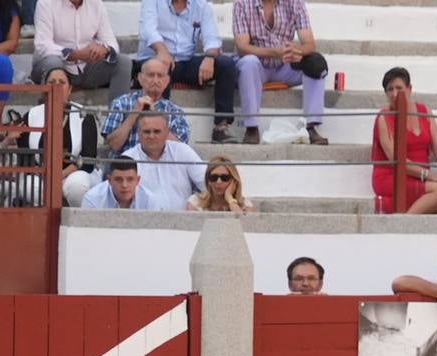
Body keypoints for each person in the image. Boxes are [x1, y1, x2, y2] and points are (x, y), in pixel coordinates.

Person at [136, 0, 237, 144]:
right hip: (156, 57)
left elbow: (212, 38)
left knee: (225, 64)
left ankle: (221, 127)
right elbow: (148, 30)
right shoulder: (153, 2)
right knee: (159, 69)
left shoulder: (201, 5)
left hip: (185, 60)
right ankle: (157, 126)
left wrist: (209, 57)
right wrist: (162, 51)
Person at [370, 66, 437, 214]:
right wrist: (432, 176)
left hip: (421, 177)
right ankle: (406, 222)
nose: (394, 93)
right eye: (390, 89)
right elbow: (395, 159)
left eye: (399, 88)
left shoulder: (424, 111)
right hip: (392, 176)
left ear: (409, 89)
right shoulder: (384, 118)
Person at [232, 0, 328, 145]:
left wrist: (295, 51)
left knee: (316, 64)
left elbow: (309, 44)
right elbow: (242, 47)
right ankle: (251, 127)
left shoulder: (295, 3)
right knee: (248, 63)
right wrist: (274, 52)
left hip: (285, 65)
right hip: (257, 67)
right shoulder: (242, 4)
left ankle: (311, 125)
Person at [16, 65, 100, 206]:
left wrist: (59, 177)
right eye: (52, 82)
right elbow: (25, 156)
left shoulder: (84, 115)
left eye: (62, 82)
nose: (56, 86)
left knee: (77, 186)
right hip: (42, 174)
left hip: (75, 172)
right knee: (33, 188)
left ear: (70, 89)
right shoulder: (31, 115)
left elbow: (88, 158)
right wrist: (45, 174)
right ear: (44, 88)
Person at [31, 0, 131, 99]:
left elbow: (111, 42)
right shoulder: (46, 3)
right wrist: (75, 54)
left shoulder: (96, 4)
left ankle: (119, 113)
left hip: (86, 68)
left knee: (123, 62)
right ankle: (51, 114)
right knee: (53, 63)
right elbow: (42, 45)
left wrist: (104, 49)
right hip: (56, 66)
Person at [100, 57, 190, 153]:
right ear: (140, 78)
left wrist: (155, 116)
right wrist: (133, 115)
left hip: (160, 165)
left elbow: (180, 150)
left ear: (167, 81)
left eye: (160, 76)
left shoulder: (175, 112)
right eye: (151, 75)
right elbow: (113, 145)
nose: (155, 80)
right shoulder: (121, 103)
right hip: (127, 165)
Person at [121, 111, 204, 210]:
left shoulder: (182, 152)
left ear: (167, 132)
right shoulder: (128, 158)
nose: (151, 136)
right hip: (142, 222)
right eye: (147, 132)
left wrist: (196, 202)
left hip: (183, 222)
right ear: (138, 133)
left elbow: (209, 183)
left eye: (157, 131)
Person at [80, 158, 160, 208]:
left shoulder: (149, 200)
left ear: (138, 180)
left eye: (130, 179)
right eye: (118, 179)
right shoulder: (93, 199)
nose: (124, 185)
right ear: (109, 180)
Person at [187, 155, 255, 213]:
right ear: (208, 180)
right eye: (214, 177)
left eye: (224, 178)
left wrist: (230, 199)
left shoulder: (245, 205)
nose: (218, 182)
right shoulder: (195, 202)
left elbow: (243, 223)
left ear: (234, 181)